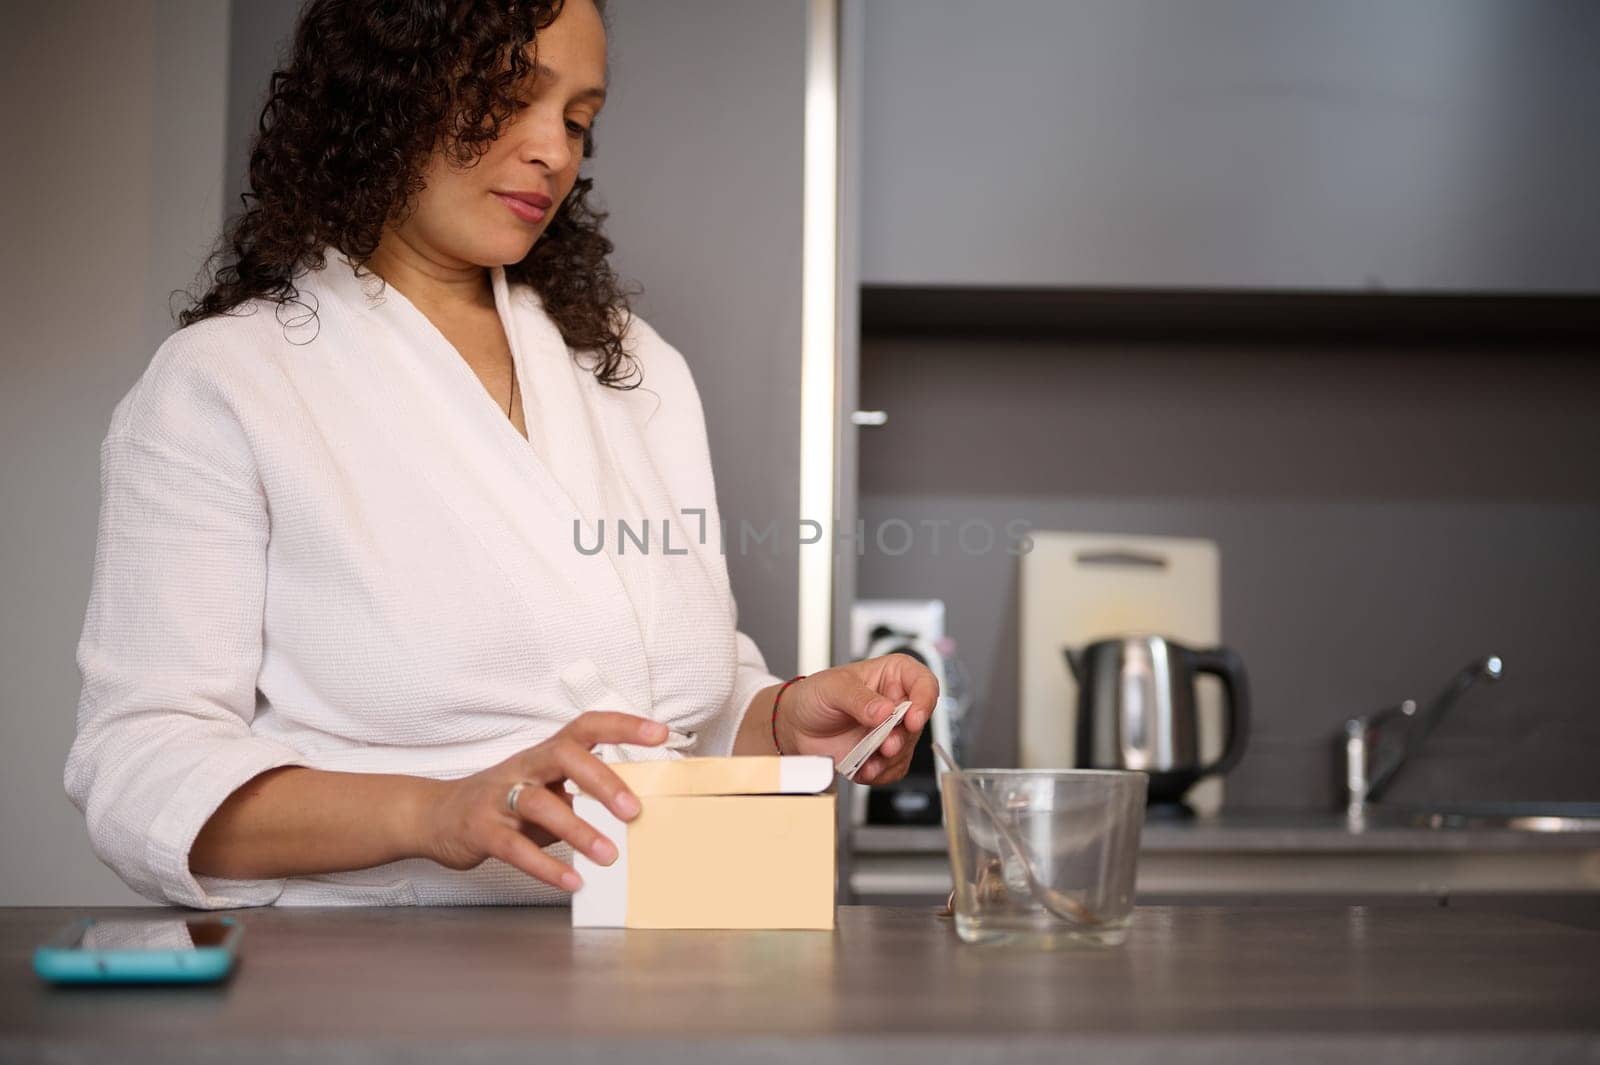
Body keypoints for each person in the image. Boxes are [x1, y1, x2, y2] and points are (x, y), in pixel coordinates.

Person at [65, 0, 936, 909]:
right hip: (368, 992)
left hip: (660, 963)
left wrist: (784, 719)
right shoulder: (230, 381)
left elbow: (678, 714)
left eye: (577, 119)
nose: (554, 152)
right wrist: (433, 813)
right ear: (386, 95)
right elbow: (137, 764)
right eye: (508, 96)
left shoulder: (632, 370)